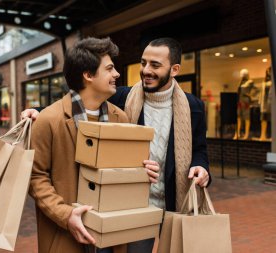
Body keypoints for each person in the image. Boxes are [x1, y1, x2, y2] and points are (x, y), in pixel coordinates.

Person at [23, 37, 211, 253]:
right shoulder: (124, 97)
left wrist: (199, 167)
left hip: (171, 203)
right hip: (127, 209)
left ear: (174, 69)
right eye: (143, 63)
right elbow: (79, 100)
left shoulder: (191, 107)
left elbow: (199, 150)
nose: (146, 70)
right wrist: (37, 111)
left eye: (155, 65)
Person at [29, 37, 131, 253]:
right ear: (88, 75)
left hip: (111, 235)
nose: (117, 74)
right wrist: (66, 215)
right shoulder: (48, 120)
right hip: (67, 233)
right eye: (110, 68)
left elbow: (126, 171)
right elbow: (35, 177)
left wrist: (143, 172)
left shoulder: (120, 118)